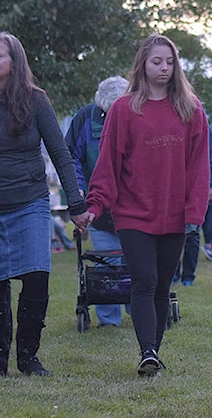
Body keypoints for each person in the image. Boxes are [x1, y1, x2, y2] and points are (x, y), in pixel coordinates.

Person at [0, 32, 91, 378]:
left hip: (29, 202)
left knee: (36, 279)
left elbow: (60, 153)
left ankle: (28, 358)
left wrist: (76, 203)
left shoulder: (35, 101)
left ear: (15, 62)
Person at [82, 34, 209, 377]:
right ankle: (147, 351)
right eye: (157, 62)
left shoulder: (191, 110)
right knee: (144, 281)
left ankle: (153, 352)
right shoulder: (124, 109)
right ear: (143, 65)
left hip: (174, 214)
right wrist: (96, 204)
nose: (164, 68)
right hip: (133, 213)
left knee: (163, 286)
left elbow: (199, 167)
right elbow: (107, 162)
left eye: (169, 62)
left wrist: (195, 212)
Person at [65, 75, 130, 326]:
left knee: (136, 262)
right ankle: (109, 319)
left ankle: (140, 310)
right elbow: (71, 156)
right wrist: (78, 189)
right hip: (98, 206)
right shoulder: (85, 118)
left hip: (133, 207)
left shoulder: (138, 114)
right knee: (106, 263)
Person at [177, 128, 212, 282]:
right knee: (172, 233)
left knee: (192, 232)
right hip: (174, 187)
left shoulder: (202, 127)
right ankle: (173, 274)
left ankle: (188, 276)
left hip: (195, 187)